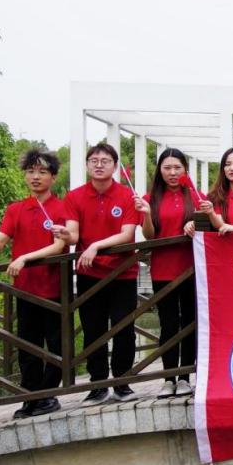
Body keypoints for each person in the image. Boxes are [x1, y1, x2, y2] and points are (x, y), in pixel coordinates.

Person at [0, 149, 67, 418]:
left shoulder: (62, 208)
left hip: (54, 288)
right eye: (31, 171)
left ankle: (48, 395)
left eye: (42, 172)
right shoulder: (16, 209)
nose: (35, 177)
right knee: (27, 346)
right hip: (25, 289)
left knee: (57, 345)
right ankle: (30, 397)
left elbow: (59, 245)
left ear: (53, 177)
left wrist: (24, 258)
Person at [53, 143, 140, 406]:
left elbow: (127, 234)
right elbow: (74, 235)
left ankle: (122, 382)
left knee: (123, 328)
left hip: (123, 272)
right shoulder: (75, 197)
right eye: (94, 160)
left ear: (115, 165)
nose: (99, 165)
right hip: (89, 273)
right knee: (93, 329)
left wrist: (96, 245)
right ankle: (98, 385)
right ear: (87, 165)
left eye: (105, 160)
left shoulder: (127, 196)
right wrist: (66, 235)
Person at [133, 148, 204, 398]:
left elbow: (209, 227)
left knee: (190, 323)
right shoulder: (150, 198)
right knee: (168, 324)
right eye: (167, 168)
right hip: (163, 270)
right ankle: (168, 378)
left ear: (185, 169)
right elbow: (149, 235)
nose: (172, 173)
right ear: (160, 170)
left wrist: (196, 221)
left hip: (192, 269)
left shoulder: (196, 196)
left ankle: (185, 377)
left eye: (177, 168)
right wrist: (146, 215)